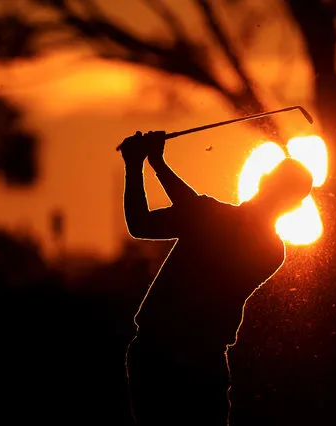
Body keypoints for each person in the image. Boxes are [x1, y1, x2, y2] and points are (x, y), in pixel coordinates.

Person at [120, 130, 314, 425]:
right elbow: (140, 224)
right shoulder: (210, 218)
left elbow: (202, 214)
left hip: (192, 361)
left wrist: (153, 162)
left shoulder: (269, 249)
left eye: (278, 185)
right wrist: (135, 167)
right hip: (159, 355)